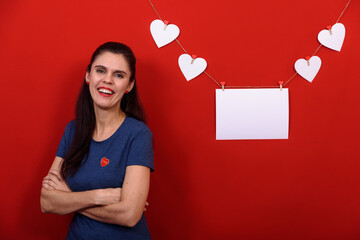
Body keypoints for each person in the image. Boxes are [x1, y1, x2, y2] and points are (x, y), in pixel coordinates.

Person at [40, 42, 154, 240]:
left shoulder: (138, 134)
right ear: (88, 76)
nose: (107, 80)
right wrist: (99, 196)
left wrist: (69, 197)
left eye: (119, 75)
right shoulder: (72, 130)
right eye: (100, 70)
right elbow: (46, 202)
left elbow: (129, 215)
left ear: (129, 85)